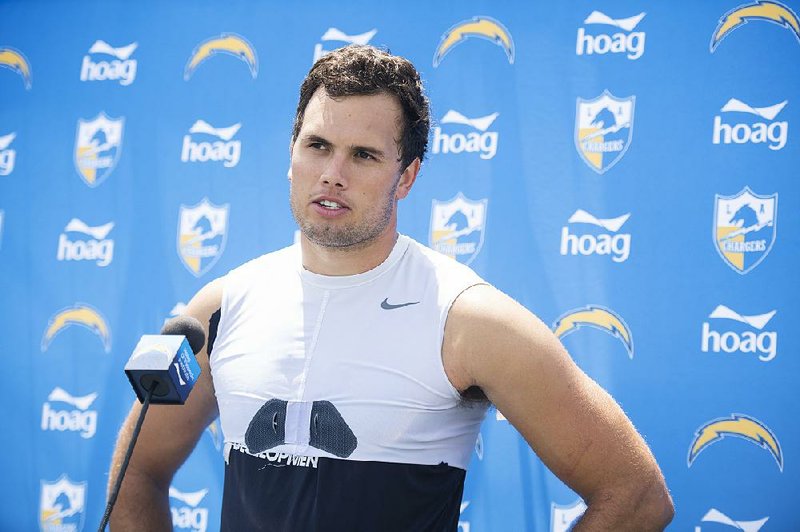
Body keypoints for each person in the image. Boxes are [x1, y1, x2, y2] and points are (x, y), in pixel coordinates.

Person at [107, 45, 674, 531]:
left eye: (364, 155)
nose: (333, 173)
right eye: (318, 145)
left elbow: (637, 494)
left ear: (407, 176)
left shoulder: (469, 320)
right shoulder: (220, 307)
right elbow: (137, 469)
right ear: (292, 152)